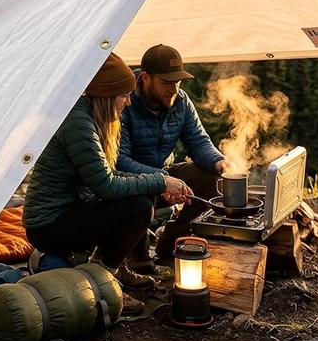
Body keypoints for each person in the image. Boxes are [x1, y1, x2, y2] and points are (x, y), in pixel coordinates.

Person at [22, 52, 193, 314]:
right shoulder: (78, 124)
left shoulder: (88, 117)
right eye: (124, 95)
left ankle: (114, 269)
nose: (127, 102)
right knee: (138, 207)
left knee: (143, 198)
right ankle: (104, 282)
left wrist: (161, 183)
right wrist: (160, 182)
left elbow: (107, 174)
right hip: (48, 225)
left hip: (69, 212)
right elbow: (106, 185)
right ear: (107, 95)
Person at [117, 44, 227, 264]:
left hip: (164, 174)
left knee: (209, 178)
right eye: (167, 82)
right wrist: (161, 181)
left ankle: (170, 245)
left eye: (177, 81)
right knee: (141, 195)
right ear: (146, 78)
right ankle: (135, 258)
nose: (174, 88)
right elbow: (119, 160)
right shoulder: (124, 102)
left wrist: (219, 162)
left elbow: (197, 140)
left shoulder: (181, 101)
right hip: (126, 183)